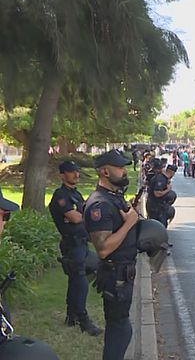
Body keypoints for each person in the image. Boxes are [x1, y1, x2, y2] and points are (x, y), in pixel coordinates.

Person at [84, 149, 140, 360]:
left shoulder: (113, 197)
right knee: (120, 331)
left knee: (122, 329)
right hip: (115, 276)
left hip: (124, 275)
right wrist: (130, 223)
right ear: (105, 172)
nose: (124, 171)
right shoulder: (99, 204)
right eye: (119, 167)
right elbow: (103, 248)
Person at [48, 161, 103, 336]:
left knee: (88, 272)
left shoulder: (76, 195)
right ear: (62, 175)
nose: (76, 175)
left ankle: (71, 314)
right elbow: (75, 217)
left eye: (77, 171)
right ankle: (82, 319)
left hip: (82, 243)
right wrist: (87, 214)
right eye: (71, 172)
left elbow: (84, 213)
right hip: (72, 245)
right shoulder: (61, 195)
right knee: (80, 283)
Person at [146, 163, 176, 227]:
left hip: (159, 206)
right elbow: (157, 193)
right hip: (155, 207)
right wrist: (168, 190)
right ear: (172, 172)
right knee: (157, 227)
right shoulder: (160, 179)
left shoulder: (164, 178)